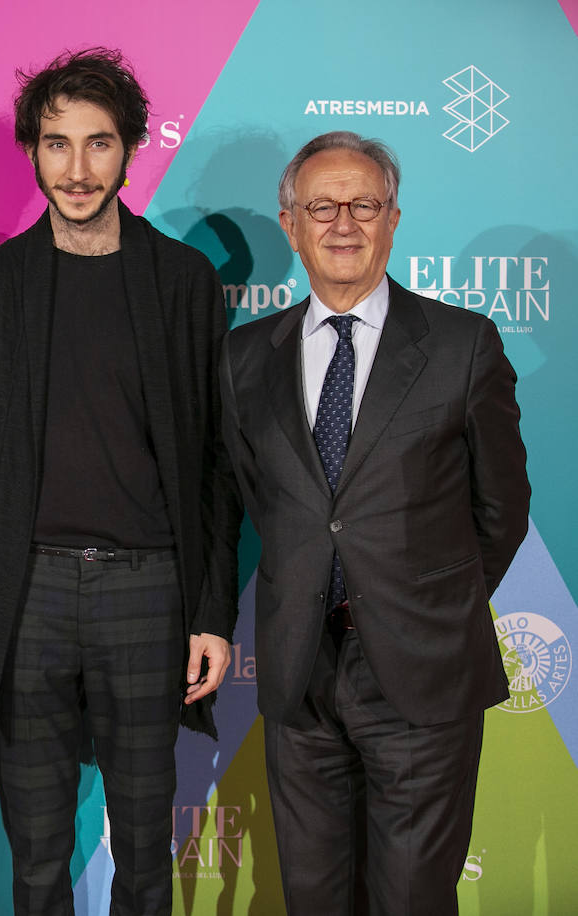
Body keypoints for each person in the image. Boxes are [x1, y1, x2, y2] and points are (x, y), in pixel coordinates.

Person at [0, 48, 241, 915]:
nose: (77, 169)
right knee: (34, 852)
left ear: (131, 149)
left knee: (146, 845)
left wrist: (213, 613)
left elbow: (217, 462)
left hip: (148, 590)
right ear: (32, 151)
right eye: (56, 144)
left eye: (99, 144)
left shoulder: (183, 281)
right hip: (26, 590)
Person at [219, 130, 530, 914]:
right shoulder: (244, 358)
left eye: (365, 204)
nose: (343, 223)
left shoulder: (463, 346)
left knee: (412, 900)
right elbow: (263, 501)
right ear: (290, 224)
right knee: (314, 898)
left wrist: (423, 598)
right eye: (322, 205)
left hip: (423, 673)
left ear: (394, 219)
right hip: (300, 675)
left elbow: (501, 510)